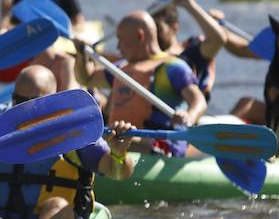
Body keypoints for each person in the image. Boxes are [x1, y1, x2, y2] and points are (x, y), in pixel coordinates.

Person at [0, 66, 133, 219]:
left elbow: (118, 173)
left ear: (51, 101)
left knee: (57, 206)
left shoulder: (73, 137)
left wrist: (118, 153)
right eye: (18, 100)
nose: (24, 109)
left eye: (32, 102)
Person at [74, 10, 205, 156]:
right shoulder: (121, 68)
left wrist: (189, 115)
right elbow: (86, 78)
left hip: (160, 143)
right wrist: (81, 56)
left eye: (121, 39)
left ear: (140, 36)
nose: (118, 47)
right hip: (119, 140)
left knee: (113, 140)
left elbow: (198, 101)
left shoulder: (173, 67)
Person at [151, 0, 228, 102]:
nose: (152, 34)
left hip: (184, 113)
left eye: (157, 29)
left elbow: (218, 40)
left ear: (174, 28)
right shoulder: (142, 54)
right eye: (149, 28)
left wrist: (189, 5)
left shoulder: (191, 52)